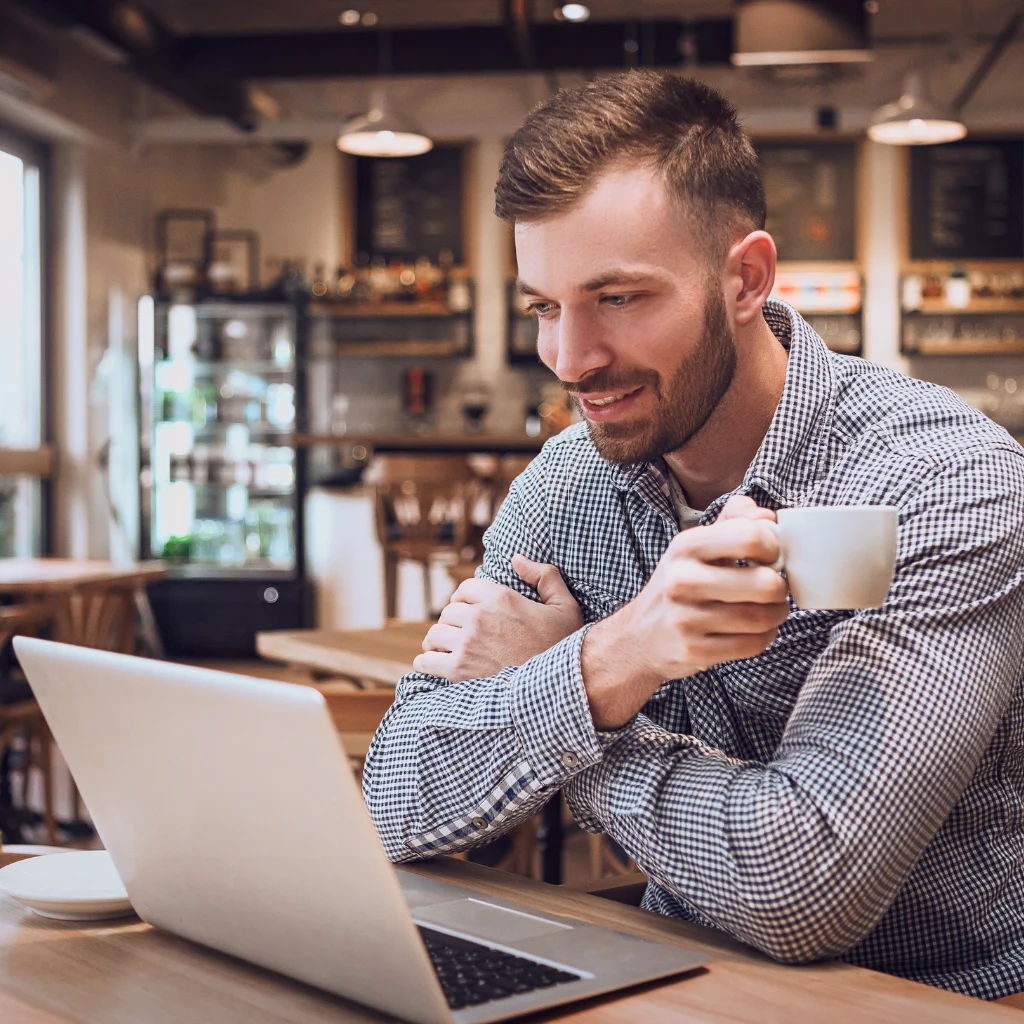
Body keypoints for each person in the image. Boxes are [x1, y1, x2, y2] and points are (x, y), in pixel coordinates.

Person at [362, 71, 1024, 1001]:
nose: (570, 360)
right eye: (545, 308)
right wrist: (607, 665)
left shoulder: (943, 478)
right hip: (672, 978)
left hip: (945, 997)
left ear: (745, 279)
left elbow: (806, 882)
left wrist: (582, 700)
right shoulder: (569, 483)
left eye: (619, 299)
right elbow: (395, 798)